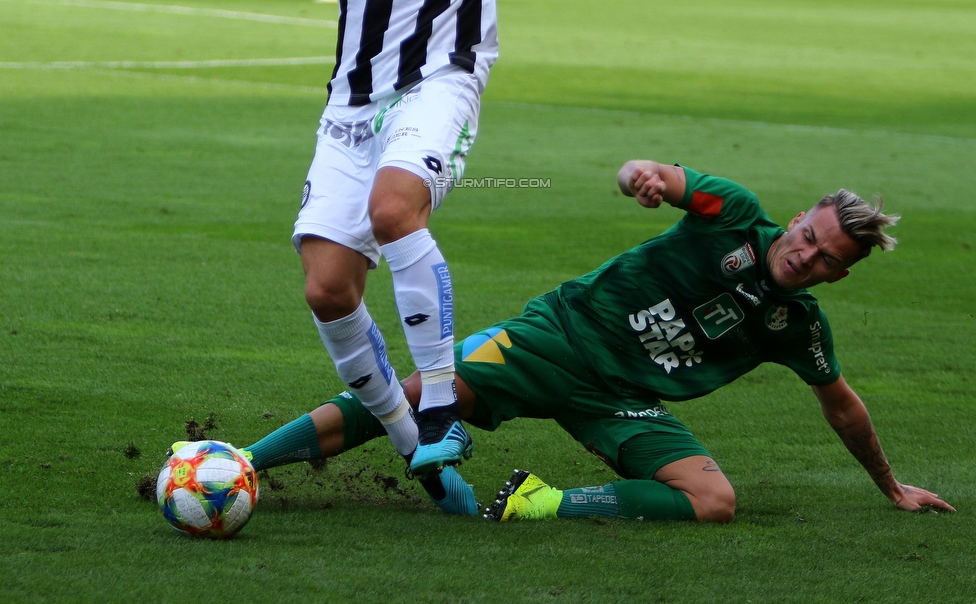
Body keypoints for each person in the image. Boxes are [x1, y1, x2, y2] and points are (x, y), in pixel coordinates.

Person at [137, 0, 756, 501]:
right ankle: (417, 451)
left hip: (443, 82)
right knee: (329, 291)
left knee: (395, 209)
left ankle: (438, 409)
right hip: (353, 97)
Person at [233, 159, 954, 522]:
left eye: (828, 258)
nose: (807, 255)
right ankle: (244, 465)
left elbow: (844, 407)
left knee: (712, 501)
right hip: (558, 338)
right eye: (809, 236)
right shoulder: (732, 214)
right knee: (418, 395)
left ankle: (539, 503)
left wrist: (889, 486)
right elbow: (657, 176)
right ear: (797, 219)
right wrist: (637, 177)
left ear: (841, 274)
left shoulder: (798, 328)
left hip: (621, 398)